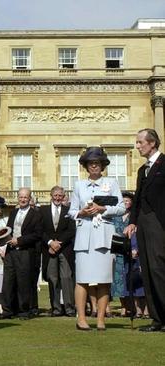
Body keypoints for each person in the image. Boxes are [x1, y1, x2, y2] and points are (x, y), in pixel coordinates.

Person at [69, 146, 125, 331]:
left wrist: (103, 209)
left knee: (103, 279)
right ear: (86, 166)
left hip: (104, 235)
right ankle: (82, 319)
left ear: (102, 166)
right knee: (83, 279)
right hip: (85, 235)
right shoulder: (78, 185)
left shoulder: (112, 183)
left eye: (97, 163)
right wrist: (82, 212)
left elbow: (121, 207)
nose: (94, 166)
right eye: (91, 163)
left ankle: (101, 319)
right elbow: (71, 212)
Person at [124, 128, 165, 332]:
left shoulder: (164, 165)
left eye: (140, 142)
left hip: (160, 223)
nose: (137, 146)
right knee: (147, 270)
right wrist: (132, 221)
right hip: (143, 223)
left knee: (159, 269)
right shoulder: (142, 170)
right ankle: (157, 320)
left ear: (152, 143)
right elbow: (138, 198)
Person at [0, 188, 42, 320]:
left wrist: (20, 241)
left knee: (24, 283)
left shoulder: (36, 214)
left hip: (25, 251)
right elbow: (9, 229)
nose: (22, 199)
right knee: (8, 281)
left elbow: (37, 234)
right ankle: (7, 311)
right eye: (21, 197)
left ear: (29, 199)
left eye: (25, 197)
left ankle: (24, 311)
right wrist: (4, 239)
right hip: (11, 251)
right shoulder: (13, 212)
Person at [39, 185, 76, 317]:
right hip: (49, 250)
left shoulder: (69, 210)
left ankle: (70, 308)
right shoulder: (42, 211)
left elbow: (72, 230)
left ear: (64, 196)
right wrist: (50, 243)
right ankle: (56, 308)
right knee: (53, 279)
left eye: (60, 195)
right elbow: (40, 230)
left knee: (66, 278)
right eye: (55, 195)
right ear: (51, 195)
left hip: (64, 249)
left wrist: (58, 243)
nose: (58, 198)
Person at [112, 192, 146, 317]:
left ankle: (138, 307)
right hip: (118, 250)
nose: (126, 202)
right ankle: (124, 306)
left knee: (134, 278)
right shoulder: (115, 216)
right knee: (119, 280)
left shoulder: (134, 217)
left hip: (132, 249)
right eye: (123, 201)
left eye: (128, 201)